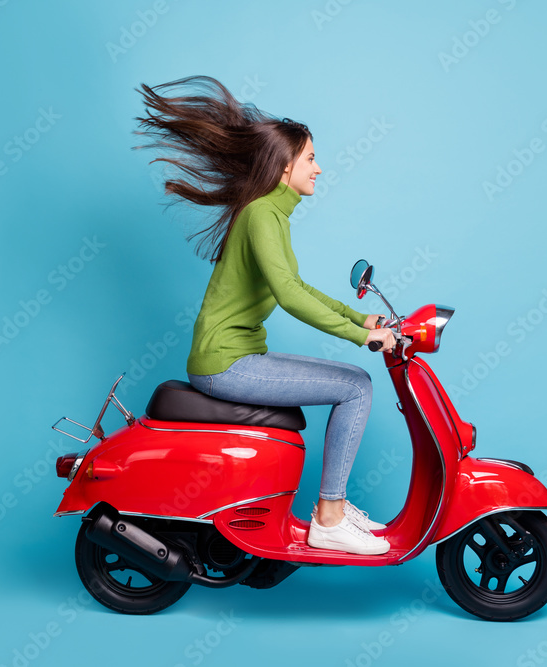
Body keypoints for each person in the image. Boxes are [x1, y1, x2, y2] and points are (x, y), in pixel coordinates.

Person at [133, 75, 396, 555]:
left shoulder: (271, 214)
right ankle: (330, 516)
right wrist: (361, 339)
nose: (319, 168)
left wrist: (360, 319)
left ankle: (330, 510)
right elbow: (291, 298)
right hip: (226, 365)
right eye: (311, 159)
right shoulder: (261, 215)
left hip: (235, 360)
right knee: (356, 385)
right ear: (283, 168)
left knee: (354, 382)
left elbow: (295, 287)